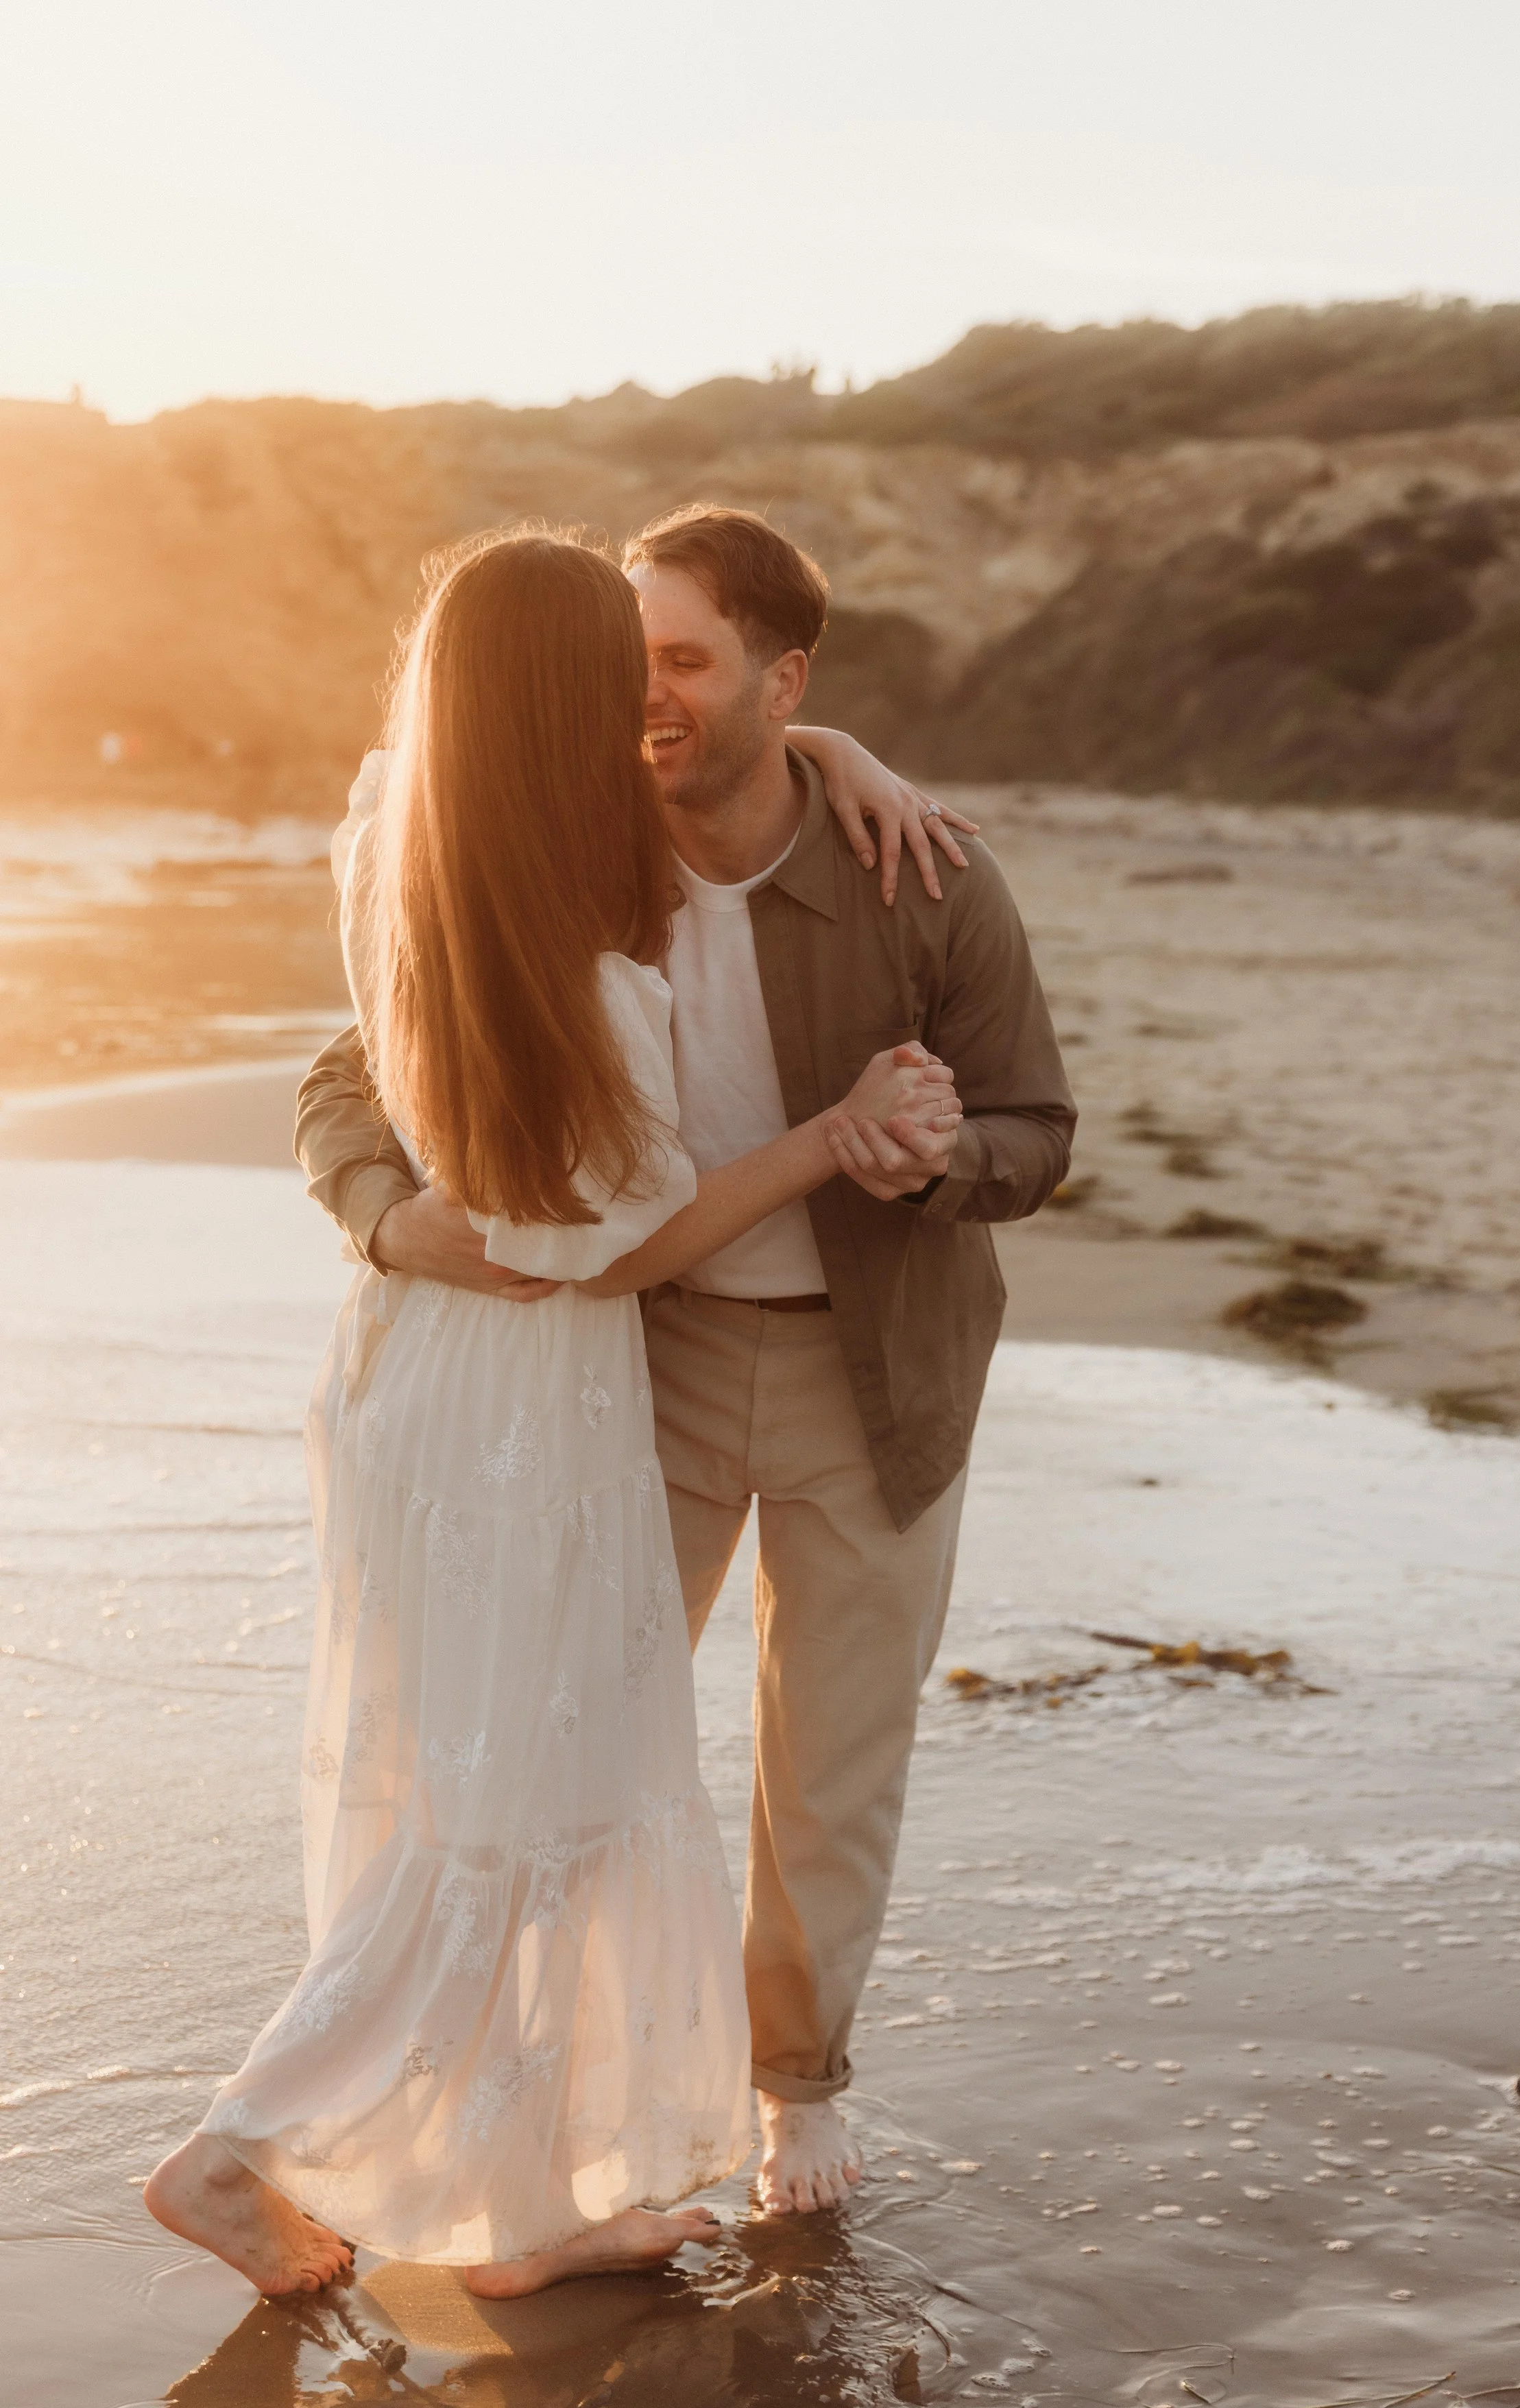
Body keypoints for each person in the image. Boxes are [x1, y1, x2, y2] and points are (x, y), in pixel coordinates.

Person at [143, 529, 960, 2298]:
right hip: (533, 1398)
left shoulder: (400, 844)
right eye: (621, 668)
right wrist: (821, 1140)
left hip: (407, 1374)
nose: (648, 696)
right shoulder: (584, 965)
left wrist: (834, 753)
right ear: (569, 699)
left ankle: (518, 2208)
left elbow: (736, 746)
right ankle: (239, 2145)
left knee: (500, 1790)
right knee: (513, 1806)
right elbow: (609, 1250)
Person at [297, 506, 1076, 2215]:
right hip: (625, 1367)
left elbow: (1037, 1130)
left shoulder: (916, 870)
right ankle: (555, 2107)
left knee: (833, 1762)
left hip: (871, 1371)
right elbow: (354, 1077)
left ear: (777, 680)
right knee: (573, 1757)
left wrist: (933, 1155)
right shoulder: (566, 847)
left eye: (679, 660)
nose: (638, 695)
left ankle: (795, 2085)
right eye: (618, 657)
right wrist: (380, 1212)